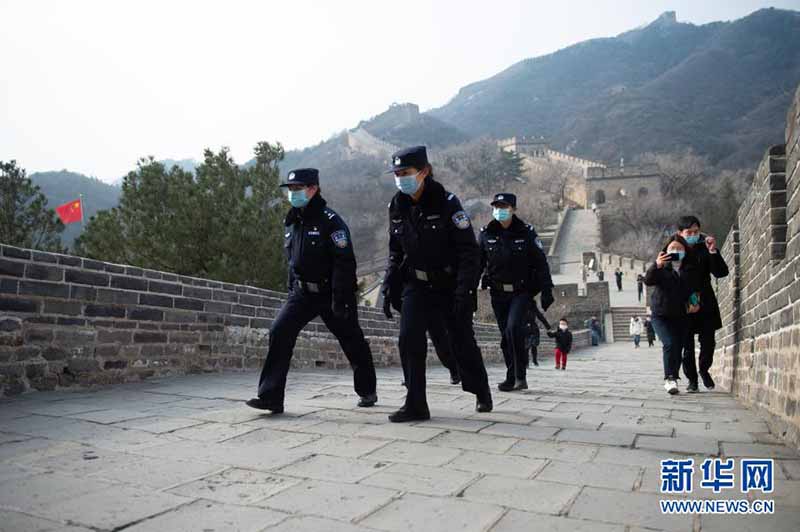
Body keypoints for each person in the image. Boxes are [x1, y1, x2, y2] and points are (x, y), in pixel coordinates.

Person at [247, 168, 377, 413]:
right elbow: (292, 262)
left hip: (332, 293)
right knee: (279, 331)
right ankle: (271, 397)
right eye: (291, 189)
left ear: (313, 189)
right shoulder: (292, 221)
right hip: (302, 293)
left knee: (352, 340)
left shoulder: (331, 222)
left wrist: (342, 300)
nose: (293, 194)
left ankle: (367, 390)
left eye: (298, 189)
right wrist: (290, 292)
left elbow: (345, 263)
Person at [381, 146, 493, 422]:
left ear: (424, 172)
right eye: (396, 173)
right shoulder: (397, 205)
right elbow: (396, 251)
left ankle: (481, 391)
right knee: (409, 339)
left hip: (449, 284)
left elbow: (470, 252)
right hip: (416, 285)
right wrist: (387, 286)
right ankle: (416, 404)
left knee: (461, 342)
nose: (400, 178)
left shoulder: (447, 203)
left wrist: (465, 290)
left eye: (405, 173)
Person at [479, 192, 555, 392]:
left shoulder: (526, 232)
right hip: (497, 293)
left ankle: (521, 375)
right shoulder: (486, 233)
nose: (499, 210)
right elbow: (477, 263)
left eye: (504, 207)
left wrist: (547, 289)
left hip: (521, 292)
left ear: (513, 209)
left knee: (514, 329)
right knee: (505, 336)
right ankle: (511, 375)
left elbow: (540, 262)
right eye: (496, 206)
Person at [677, 215, 729, 392]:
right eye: (688, 232)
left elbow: (721, 273)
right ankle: (692, 380)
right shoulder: (674, 249)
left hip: (705, 299)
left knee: (708, 341)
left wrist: (713, 251)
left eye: (695, 231)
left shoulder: (705, 247)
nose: (692, 235)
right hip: (684, 301)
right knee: (687, 346)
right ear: (680, 233)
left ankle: (704, 370)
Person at [644, 235, 699, 396]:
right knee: (669, 343)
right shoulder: (661, 268)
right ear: (666, 251)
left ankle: (674, 376)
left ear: (685, 250)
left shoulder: (689, 268)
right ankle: (669, 378)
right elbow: (648, 280)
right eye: (672, 249)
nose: (675, 251)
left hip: (681, 314)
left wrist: (695, 302)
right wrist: (656, 265)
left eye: (679, 248)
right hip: (660, 314)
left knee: (678, 348)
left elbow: (693, 289)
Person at [526, 293, 552, 368]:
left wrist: (547, 326)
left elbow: (540, 316)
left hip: (533, 328)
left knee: (534, 345)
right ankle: (526, 363)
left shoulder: (533, 307)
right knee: (526, 347)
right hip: (525, 328)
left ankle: (534, 360)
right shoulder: (521, 307)